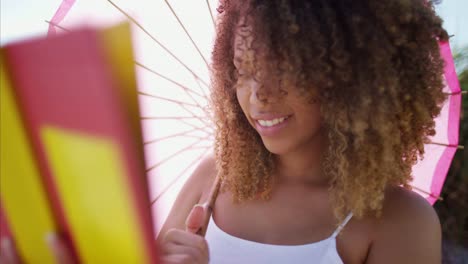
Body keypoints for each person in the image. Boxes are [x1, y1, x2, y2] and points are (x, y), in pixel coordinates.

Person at [1, 0, 448, 263]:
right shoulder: (211, 178)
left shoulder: (399, 221)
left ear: (354, 74)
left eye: (286, 69)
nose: (259, 94)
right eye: (243, 70)